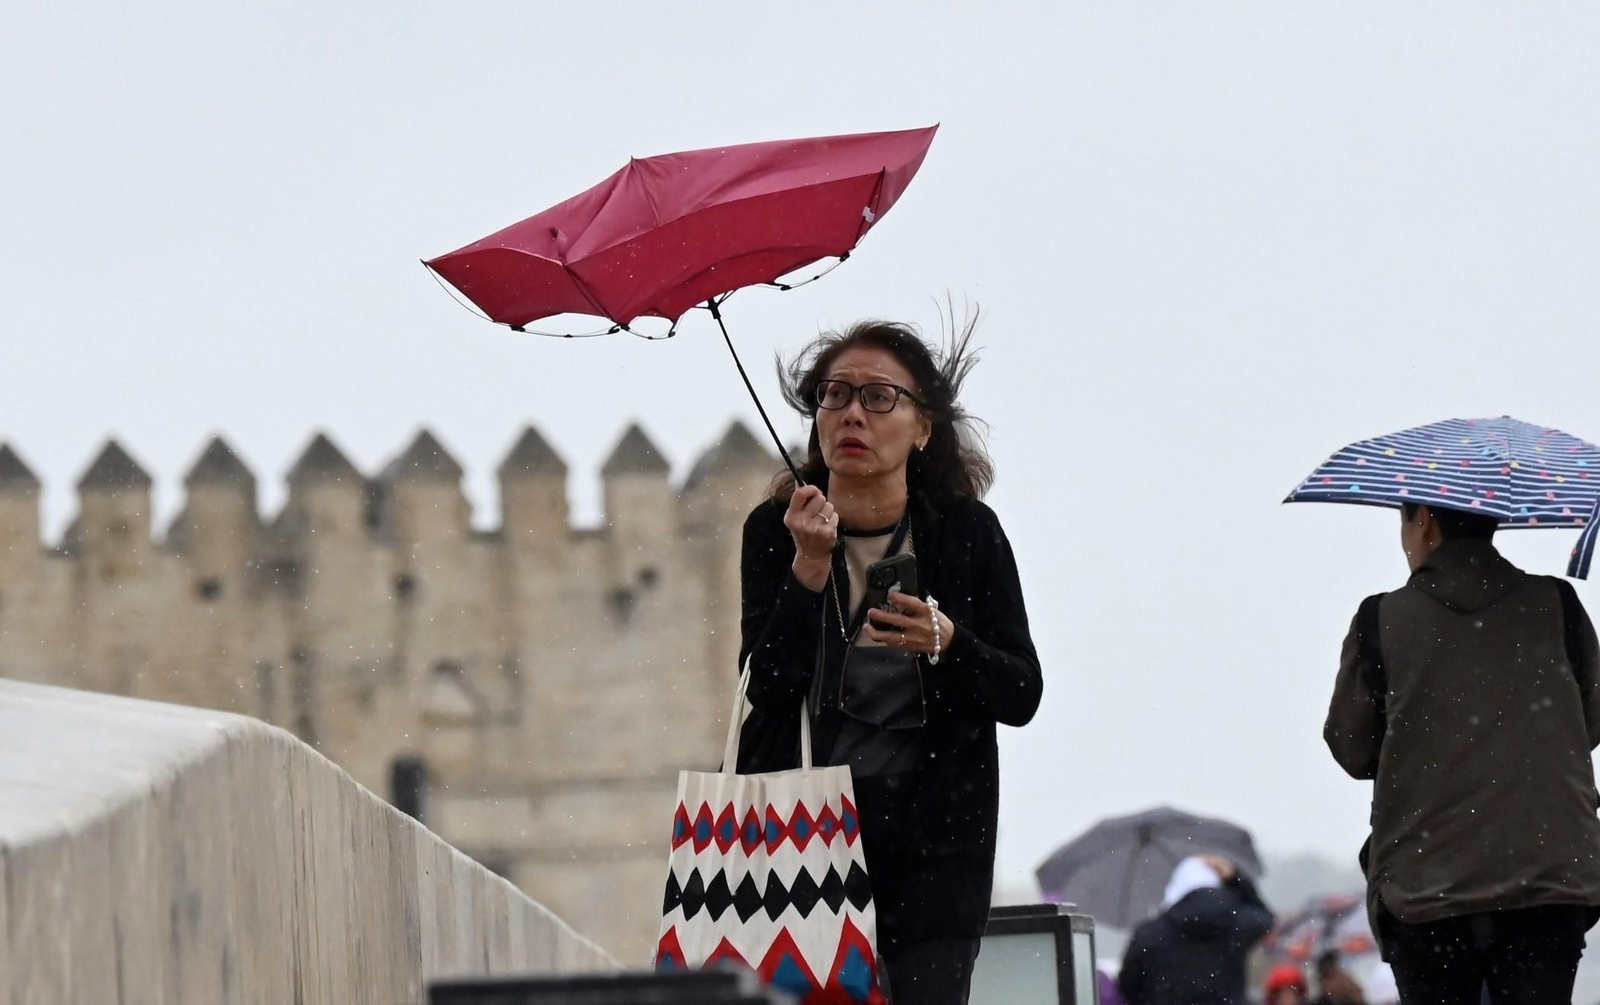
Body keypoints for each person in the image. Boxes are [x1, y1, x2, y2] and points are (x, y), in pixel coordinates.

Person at [737, 318, 1043, 1005]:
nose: (851, 412)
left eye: (879, 397)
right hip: (801, 835)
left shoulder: (967, 533)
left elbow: (1022, 690)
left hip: (938, 843)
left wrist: (948, 640)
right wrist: (808, 569)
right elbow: (766, 686)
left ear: (923, 427)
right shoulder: (776, 530)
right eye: (834, 394)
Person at [1324, 502, 1600, 1004]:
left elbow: (1351, 748)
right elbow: (1589, 724)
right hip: (1547, 879)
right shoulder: (1556, 604)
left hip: (1427, 888)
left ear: (1424, 520)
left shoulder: (1382, 619)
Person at [1117, 855, 1274, 1004]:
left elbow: (1128, 987)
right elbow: (1266, 918)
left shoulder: (1149, 933)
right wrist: (1235, 878)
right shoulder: (1236, 925)